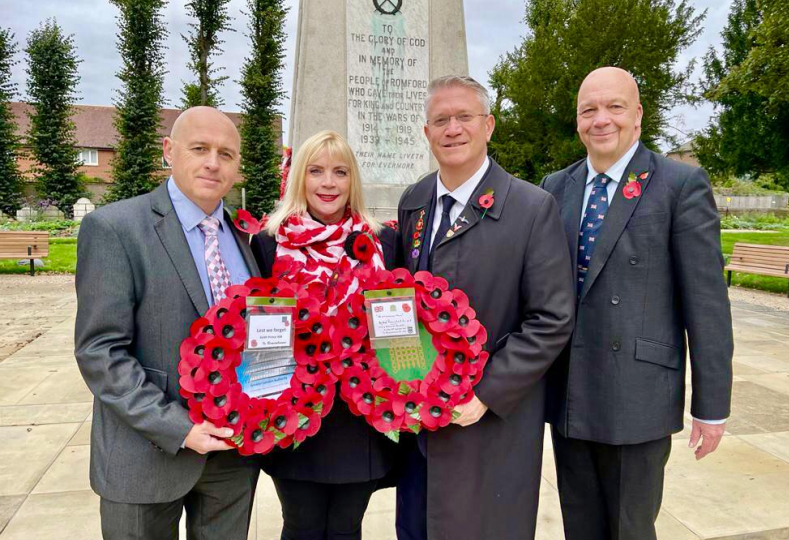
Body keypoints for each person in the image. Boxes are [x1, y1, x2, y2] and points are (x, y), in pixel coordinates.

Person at [540, 67, 734, 540]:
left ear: (638, 116)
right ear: (577, 120)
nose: (601, 119)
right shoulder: (554, 187)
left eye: (614, 107)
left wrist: (711, 406)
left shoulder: (679, 185)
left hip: (638, 395)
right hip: (570, 395)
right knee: (580, 527)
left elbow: (706, 303)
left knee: (629, 528)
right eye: (589, 109)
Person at [394, 75, 575, 540]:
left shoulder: (532, 207)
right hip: (422, 424)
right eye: (440, 120)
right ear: (427, 132)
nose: (452, 129)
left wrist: (486, 393)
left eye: (464, 117)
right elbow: (400, 303)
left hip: (490, 424)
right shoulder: (414, 201)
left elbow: (551, 319)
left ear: (489, 125)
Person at [74, 107, 261, 539]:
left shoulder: (245, 239)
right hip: (145, 455)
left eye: (226, 154)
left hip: (231, 459)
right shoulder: (115, 228)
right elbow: (101, 351)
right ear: (169, 151)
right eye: (200, 149)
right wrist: (180, 428)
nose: (213, 162)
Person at [251, 130, 397, 540]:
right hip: (293, 413)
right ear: (300, 177)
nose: (328, 183)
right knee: (301, 525)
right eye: (315, 171)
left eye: (340, 172)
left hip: (359, 418)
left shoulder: (384, 242)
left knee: (348, 527)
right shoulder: (266, 244)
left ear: (353, 180)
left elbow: (398, 327)